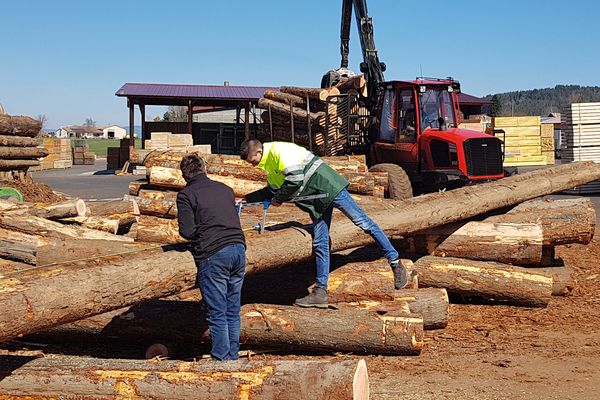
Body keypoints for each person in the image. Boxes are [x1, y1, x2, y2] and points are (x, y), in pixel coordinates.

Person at [240, 139, 408, 308]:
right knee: (320, 243)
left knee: (363, 223)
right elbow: (270, 190)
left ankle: (395, 263)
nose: (253, 166)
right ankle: (320, 292)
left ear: (259, 152)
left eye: (252, 161)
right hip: (317, 200)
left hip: (329, 187)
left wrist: (278, 199)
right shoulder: (268, 164)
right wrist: (246, 198)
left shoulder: (280, 151)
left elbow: (296, 179)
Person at [176, 154, 246, 360]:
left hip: (214, 253)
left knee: (217, 312)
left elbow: (187, 231)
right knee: (232, 309)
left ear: (184, 175)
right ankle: (233, 356)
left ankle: (221, 359)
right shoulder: (225, 189)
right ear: (204, 169)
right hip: (238, 248)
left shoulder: (186, 195)